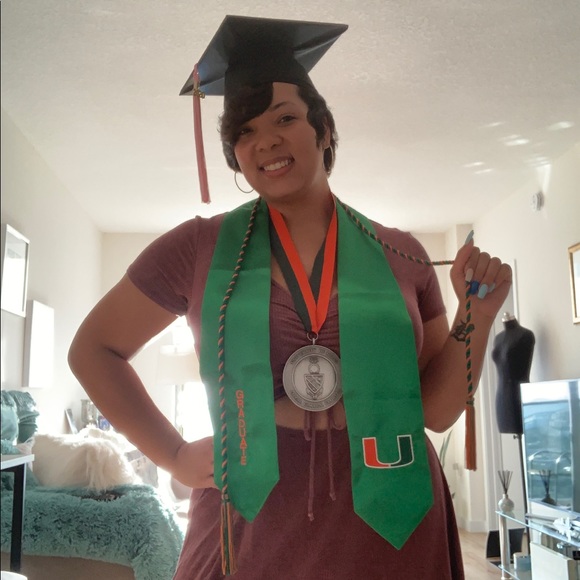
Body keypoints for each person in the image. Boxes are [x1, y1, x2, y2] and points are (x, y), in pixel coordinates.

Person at [68, 16, 513, 580]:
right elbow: (93, 350)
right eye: (245, 131)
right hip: (252, 516)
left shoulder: (401, 252)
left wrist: (477, 316)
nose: (266, 141)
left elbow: (436, 409)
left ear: (323, 129)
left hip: (391, 517)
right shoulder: (197, 248)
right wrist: (173, 454)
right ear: (233, 153)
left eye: (285, 118)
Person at [491, 313, 535, 434]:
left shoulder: (526, 335)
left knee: (523, 433)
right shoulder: (498, 338)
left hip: (518, 395)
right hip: (501, 397)